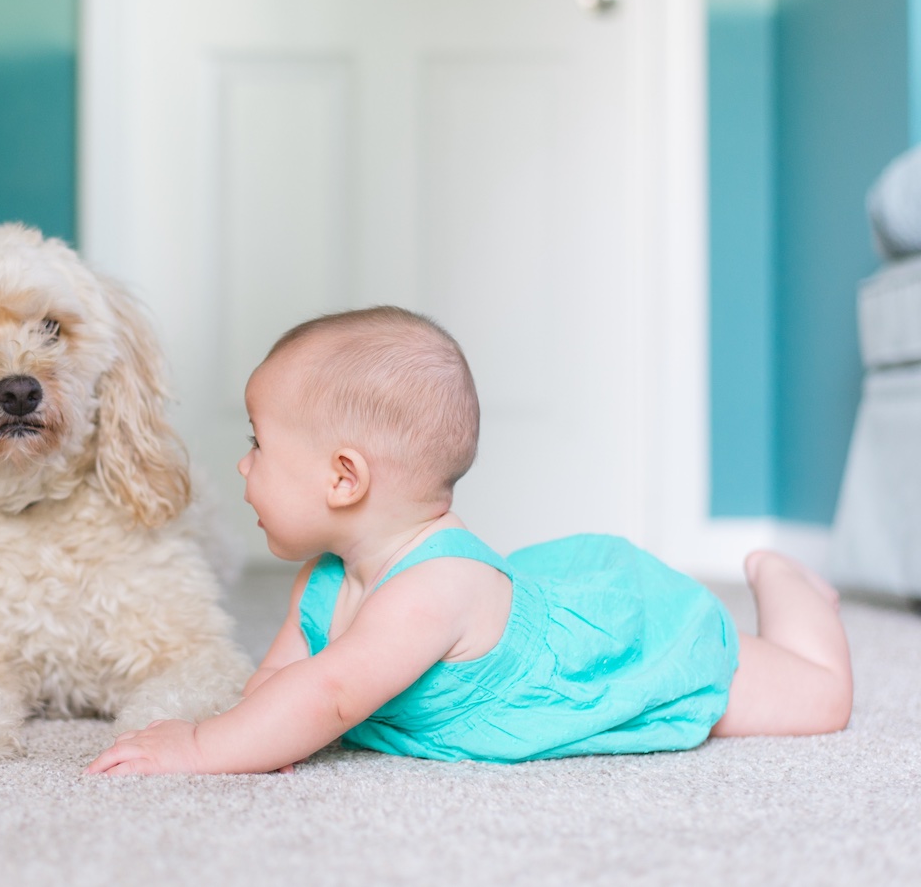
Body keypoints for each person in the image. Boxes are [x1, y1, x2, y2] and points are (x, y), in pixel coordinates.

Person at [85, 306, 853, 775]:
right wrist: (251, 735)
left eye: (260, 446)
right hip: (532, 598)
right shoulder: (324, 579)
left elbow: (329, 694)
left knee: (819, 700)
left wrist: (199, 749)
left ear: (343, 479)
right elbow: (283, 684)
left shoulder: (430, 592)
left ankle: (788, 584)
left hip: (619, 642)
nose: (243, 465)